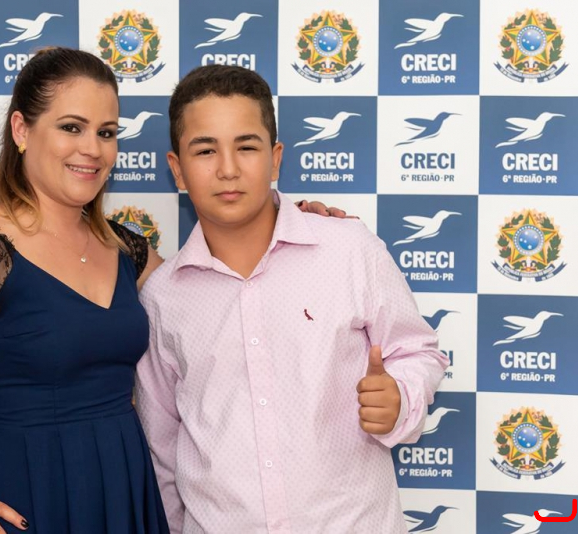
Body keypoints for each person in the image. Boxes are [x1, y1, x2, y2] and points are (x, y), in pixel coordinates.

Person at [0, 48, 338, 534]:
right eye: (71, 128)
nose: (93, 149)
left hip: (127, 491)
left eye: (106, 132)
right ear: (21, 130)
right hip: (29, 495)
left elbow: (218, 293)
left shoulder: (124, 249)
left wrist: (290, 224)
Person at [134, 65, 450, 533]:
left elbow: (418, 351)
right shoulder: (163, 296)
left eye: (247, 146)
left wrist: (400, 398)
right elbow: (162, 443)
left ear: (276, 158)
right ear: (177, 169)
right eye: (205, 150)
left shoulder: (350, 249)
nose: (228, 168)